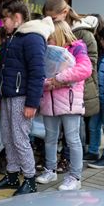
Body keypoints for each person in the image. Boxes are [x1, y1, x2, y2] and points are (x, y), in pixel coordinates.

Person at [0, 0, 54, 196]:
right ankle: (12, 175)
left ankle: (30, 179)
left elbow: (37, 72)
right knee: (8, 136)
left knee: (19, 138)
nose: (3, 24)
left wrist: (32, 103)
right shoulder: (15, 36)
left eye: (5, 19)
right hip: (10, 94)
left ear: (17, 17)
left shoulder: (32, 37)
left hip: (22, 96)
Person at [35, 20, 92, 191]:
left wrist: (58, 78)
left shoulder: (77, 48)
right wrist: (49, 82)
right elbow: (39, 75)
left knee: (72, 139)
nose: (48, 41)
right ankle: (50, 170)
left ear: (58, 34)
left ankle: (75, 176)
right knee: (50, 139)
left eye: (50, 37)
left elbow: (85, 70)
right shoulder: (46, 51)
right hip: (49, 102)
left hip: (69, 102)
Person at [87, 21, 104, 168]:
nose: (101, 42)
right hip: (98, 99)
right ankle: (93, 151)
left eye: (103, 40)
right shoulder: (102, 55)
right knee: (93, 125)